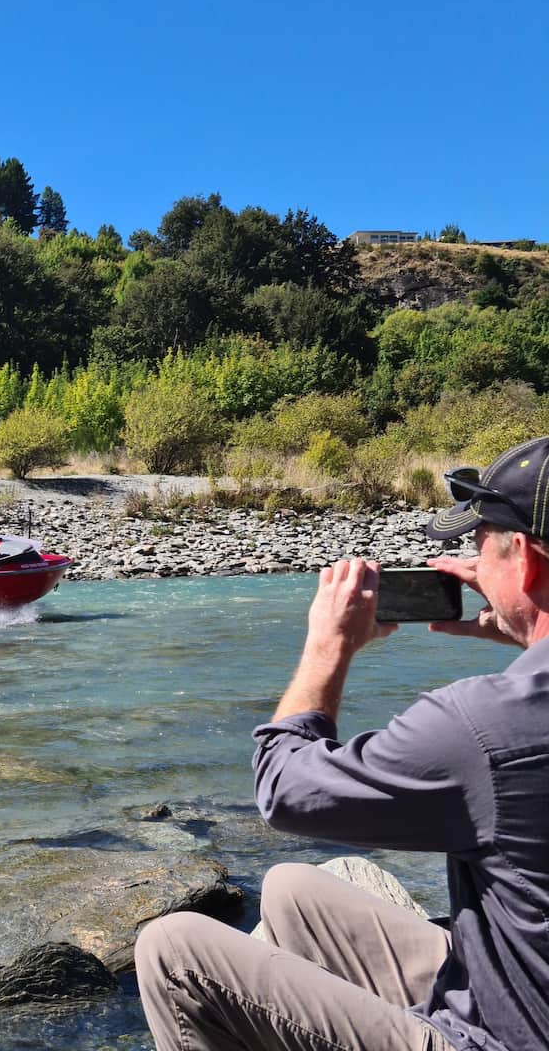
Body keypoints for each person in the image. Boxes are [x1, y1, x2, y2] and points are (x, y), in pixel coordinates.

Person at [136, 435, 549, 1051]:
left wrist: (328, 647)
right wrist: (529, 636)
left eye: (478, 546)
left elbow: (286, 790)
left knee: (174, 952)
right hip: (520, 994)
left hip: (505, 1037)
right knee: (293, 891)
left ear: (526, 558)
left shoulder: (485, 723)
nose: (473, 565)